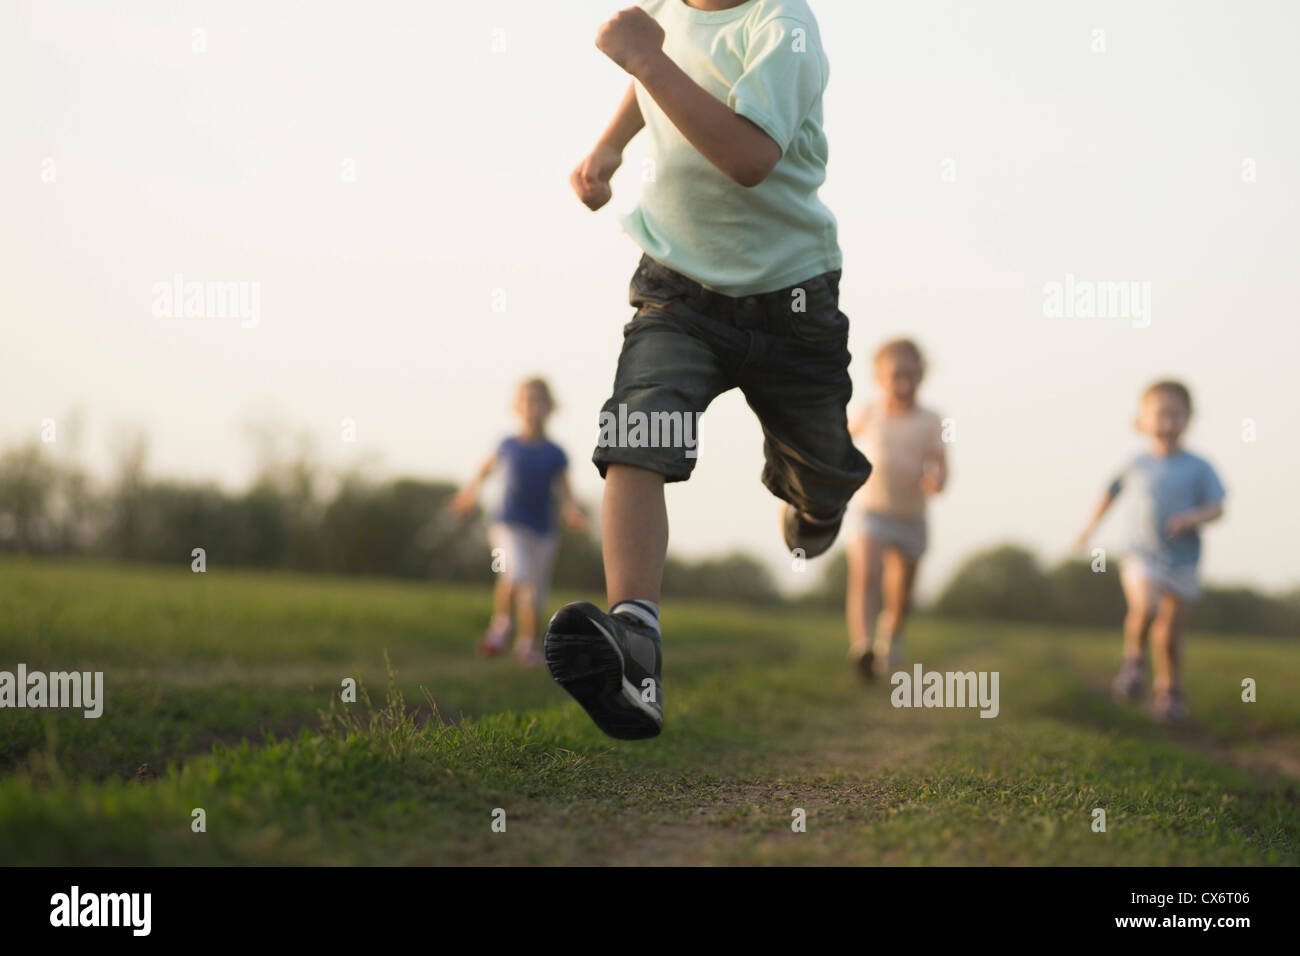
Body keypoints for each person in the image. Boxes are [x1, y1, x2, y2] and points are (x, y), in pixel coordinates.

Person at [546, 0, 871, 739]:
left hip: (791, 303)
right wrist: (609, 149)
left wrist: (646, 59)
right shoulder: (660, 11)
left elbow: (751, 158)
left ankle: (816, 501)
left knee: (822, 468)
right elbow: (652, 74)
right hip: (678, 289)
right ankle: (634, 640)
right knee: (638, 429)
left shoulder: (782, 24)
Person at [1076, 380, 1226, 722]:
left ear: (1189, 419)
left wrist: (1193, 517)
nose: (1168, 423)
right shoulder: (1136, 464)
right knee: (1145, 606)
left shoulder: (1199, 466)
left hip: (1183, 561)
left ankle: (1169, 691)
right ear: (1142, 420)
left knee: (1170, 635)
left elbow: (1218, 507)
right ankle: (1133, 663)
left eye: (1176, 415)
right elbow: (1109, 493)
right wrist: (1088, 529)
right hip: (1140, 553)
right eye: (1160, 415)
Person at [450, 378, 587, 667]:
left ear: (550, 408)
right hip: (507, 523)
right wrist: (468, 495)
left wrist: (572, 511)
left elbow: (564, 490)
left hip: (543, 530)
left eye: (539, 401)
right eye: (527, 400)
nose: (533, 407)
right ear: (516, 407)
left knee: (534, 594)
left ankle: (528, 646)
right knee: (515, 571)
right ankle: (501, 628)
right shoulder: (507, 444)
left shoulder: (555, 452)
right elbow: (483, 472)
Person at [844, 339, 946, 679]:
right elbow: (841, 443)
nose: (902, 384)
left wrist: (937, 480)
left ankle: (892, 635)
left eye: (910, 376)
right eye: (895, 376)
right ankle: (863, 647)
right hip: (872, 511)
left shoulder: (931, 420)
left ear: (922, 376)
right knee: (865, 577)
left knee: (901, 595)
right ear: (879, 378)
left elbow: (940, 464)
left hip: (911, 517)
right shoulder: (869, 414)